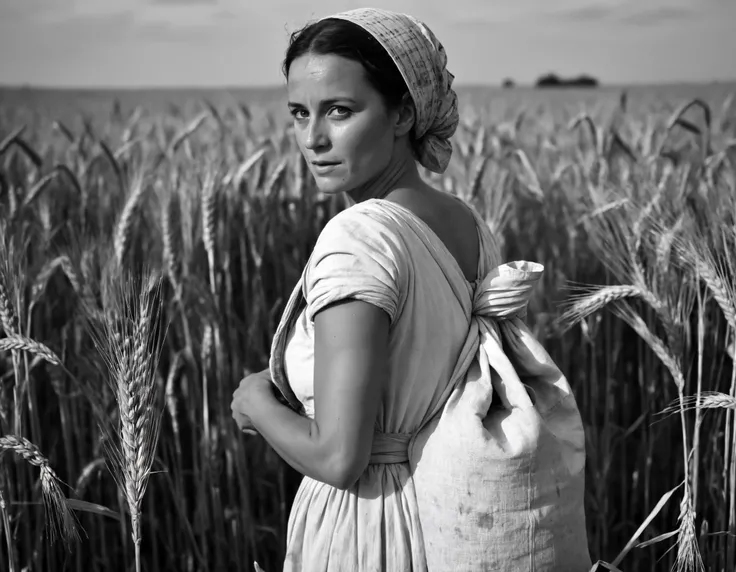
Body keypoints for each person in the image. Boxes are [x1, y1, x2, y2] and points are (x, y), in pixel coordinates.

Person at [231, 7, 592, 571]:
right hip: (447, 521)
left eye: (340, 112)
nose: (312, 139)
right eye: (299, 114)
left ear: (403, 112)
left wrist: (254, 399)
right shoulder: (470, 224)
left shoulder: (357, 238)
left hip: (368, 531)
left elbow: (339, 456)